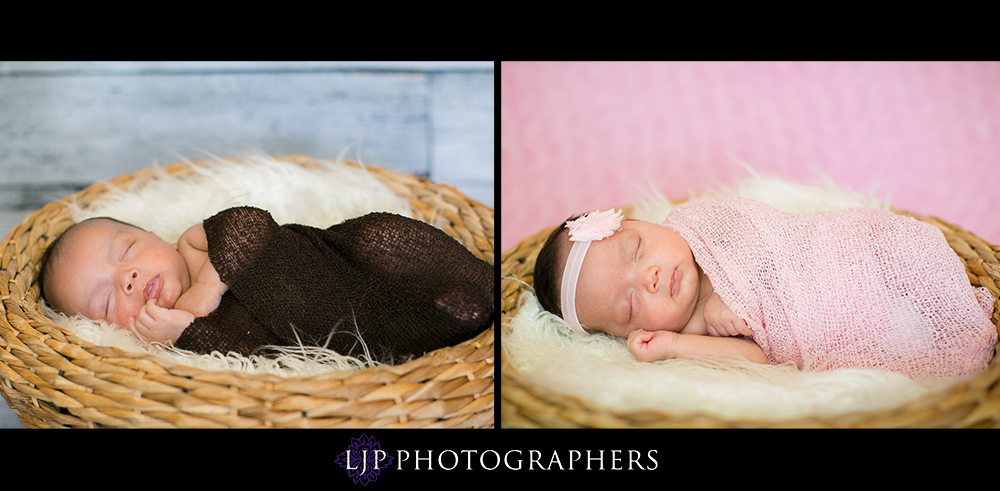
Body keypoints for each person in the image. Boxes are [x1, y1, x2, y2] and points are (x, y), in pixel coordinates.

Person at [532, 199, 996, 379]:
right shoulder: (684, 330)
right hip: (829, 325)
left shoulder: (698, 224)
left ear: (643, 221)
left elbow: (772, 232)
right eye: (629, 303)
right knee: (897, 339)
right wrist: (674, 344)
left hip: (836, 255)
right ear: (624, 334)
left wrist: (726, 293)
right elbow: (758, 359)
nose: (647, 277)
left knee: (893, 253)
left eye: (635, 250)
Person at [39, 207, 494, 363]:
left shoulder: (194, 244)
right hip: (343, 323)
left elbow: (251, 225)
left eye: (126, 252)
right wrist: (184, 333)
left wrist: (207, 289)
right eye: (105, 300)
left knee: (385, 243)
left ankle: (458, 290)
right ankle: (448, 312)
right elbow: (248, 352)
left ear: (154, 235)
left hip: (349, 263)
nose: (129, 279)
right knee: (395, 332)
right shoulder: (174, 336)